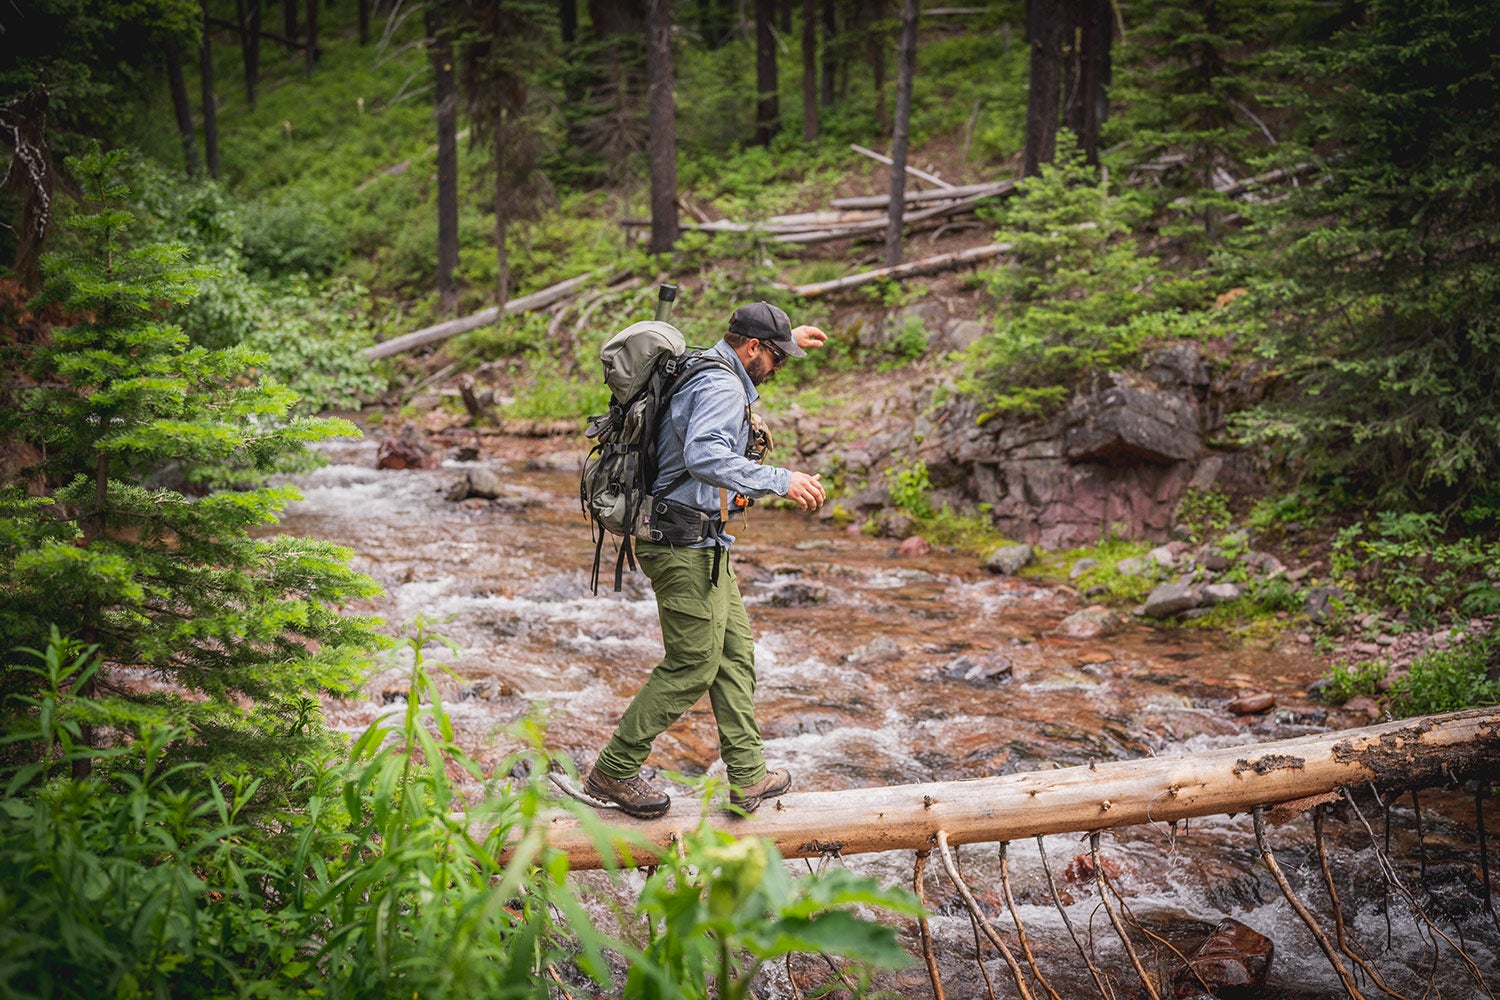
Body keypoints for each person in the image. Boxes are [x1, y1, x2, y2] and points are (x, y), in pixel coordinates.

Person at [584, 301, 828, 819]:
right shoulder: (720, 386)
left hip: (702, 543)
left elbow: (753, 356)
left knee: (735, 655)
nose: (779, 367)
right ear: (752, 347)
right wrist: (782, 480)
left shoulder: (710, 362)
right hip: (680, 546)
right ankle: (614, 770)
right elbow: (705, 456)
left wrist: (790, 335)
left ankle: (747, 777)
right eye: (775, 356)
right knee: (694, 663)